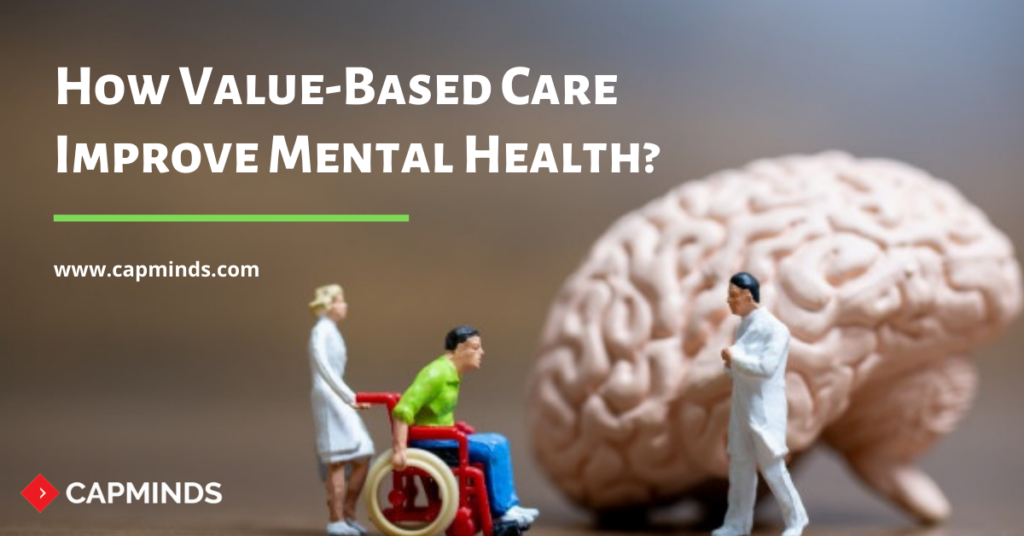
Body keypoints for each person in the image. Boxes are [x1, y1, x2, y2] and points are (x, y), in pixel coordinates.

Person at [390, 325, 539, 529]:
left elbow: (436, 415)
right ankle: (502, 511)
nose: (481, 353)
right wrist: (399, 449)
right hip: (433, 443)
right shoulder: (435, 374)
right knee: (493, 446)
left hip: (444, 437)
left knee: (499, 440)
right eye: (475, 348)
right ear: (458, 350)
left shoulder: (452, 374)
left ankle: (508, 507)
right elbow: (403, 410)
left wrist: (455, 426)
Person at [714, 273, 808, 536]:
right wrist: (731, 365)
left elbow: (766, 368)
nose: (728, 301)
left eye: (732, 296)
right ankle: (736, 524)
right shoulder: (741, 326)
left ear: (747, 296)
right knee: (740, 468)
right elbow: (736, 369)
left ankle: (796, 521)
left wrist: (735, 358)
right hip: (741, 407)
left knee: (773, 469)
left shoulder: (776, 329)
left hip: (765, 410)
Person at [308, 284, 375, 536]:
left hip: (340, 397)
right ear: (328, 305)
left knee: (364, 452)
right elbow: (323, 368)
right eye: (340, 301)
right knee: (337, 460)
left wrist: (348, 397)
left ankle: (348, 513)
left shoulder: (332, 331)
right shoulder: (320, 332)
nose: (344, 305)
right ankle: (336, 520)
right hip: (329, 398)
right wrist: (349, 396)